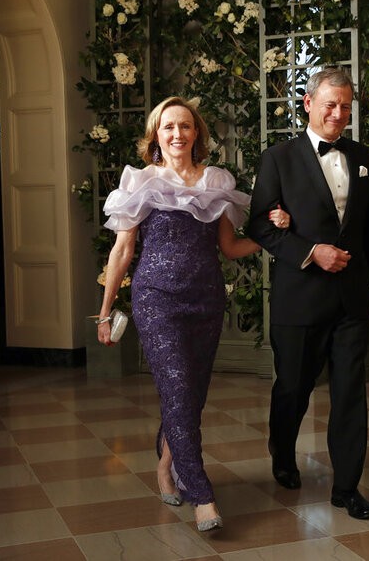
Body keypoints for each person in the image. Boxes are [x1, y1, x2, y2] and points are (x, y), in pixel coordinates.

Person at [96, 96, 289, 532]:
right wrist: (105, 312)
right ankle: (202, 494)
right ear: (156, 135)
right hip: (156, 298)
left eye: (185, 126)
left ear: (196, 133)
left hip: (205, 300)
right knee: (179, 388)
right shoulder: (141, 182)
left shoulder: (215, 182)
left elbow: (230, 248)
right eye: (168, 127)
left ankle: (165, 467)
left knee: (190, 396)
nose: (177, 134)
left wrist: (272, 236)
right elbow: (123, 251)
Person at [247, 67, 369, 520]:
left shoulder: (363, 156)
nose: (338, 113)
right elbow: (258, 227)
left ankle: (346, 487)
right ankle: (282, 452)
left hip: (351, 299)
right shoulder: (278, 158)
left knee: (350, 393)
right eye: (330, 104)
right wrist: (312, 252)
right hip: (299, 298)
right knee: (293, 388)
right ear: (308, 103)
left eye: (346, 106)